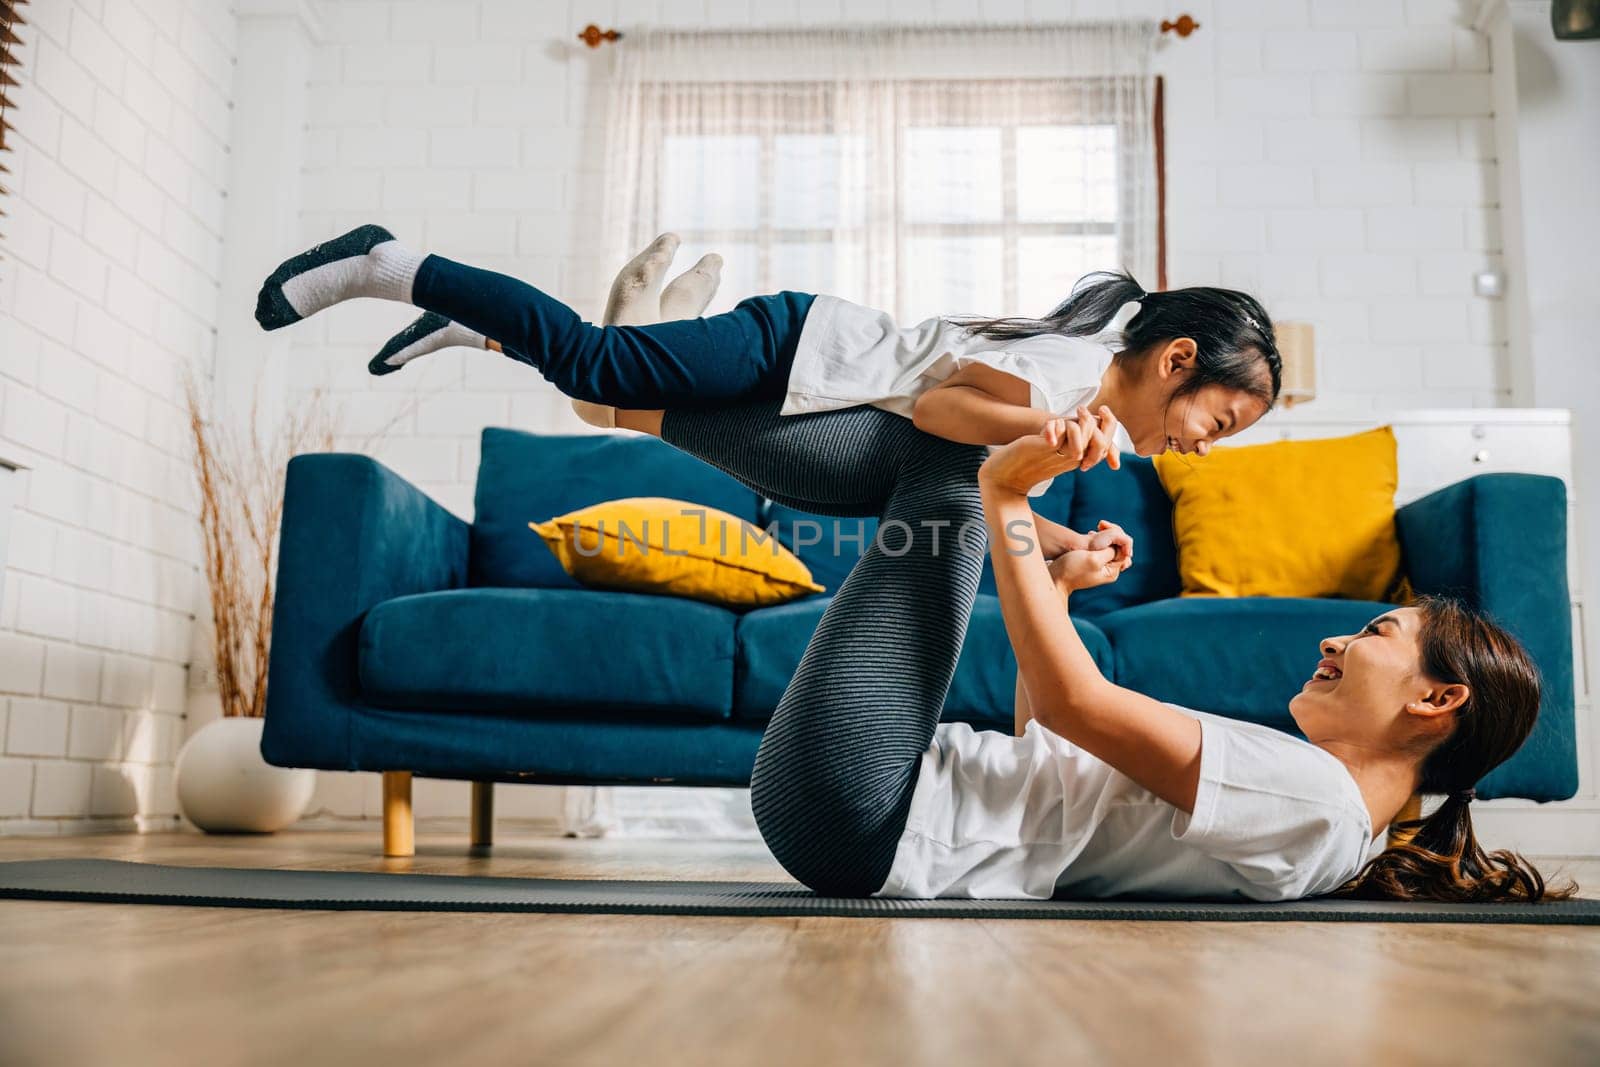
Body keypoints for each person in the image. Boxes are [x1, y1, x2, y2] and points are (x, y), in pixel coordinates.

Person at [254, 226, 1280, 513]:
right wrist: (1040, 435)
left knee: (597, 399)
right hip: (792, 343)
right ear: (1176, 362)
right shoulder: (1072, 374)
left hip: (807, 375)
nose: (1199, 446)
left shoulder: (1078, 386)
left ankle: (467, 331)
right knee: (595, 361)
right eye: (1218, 421)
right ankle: (390, 264)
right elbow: (938, 404)